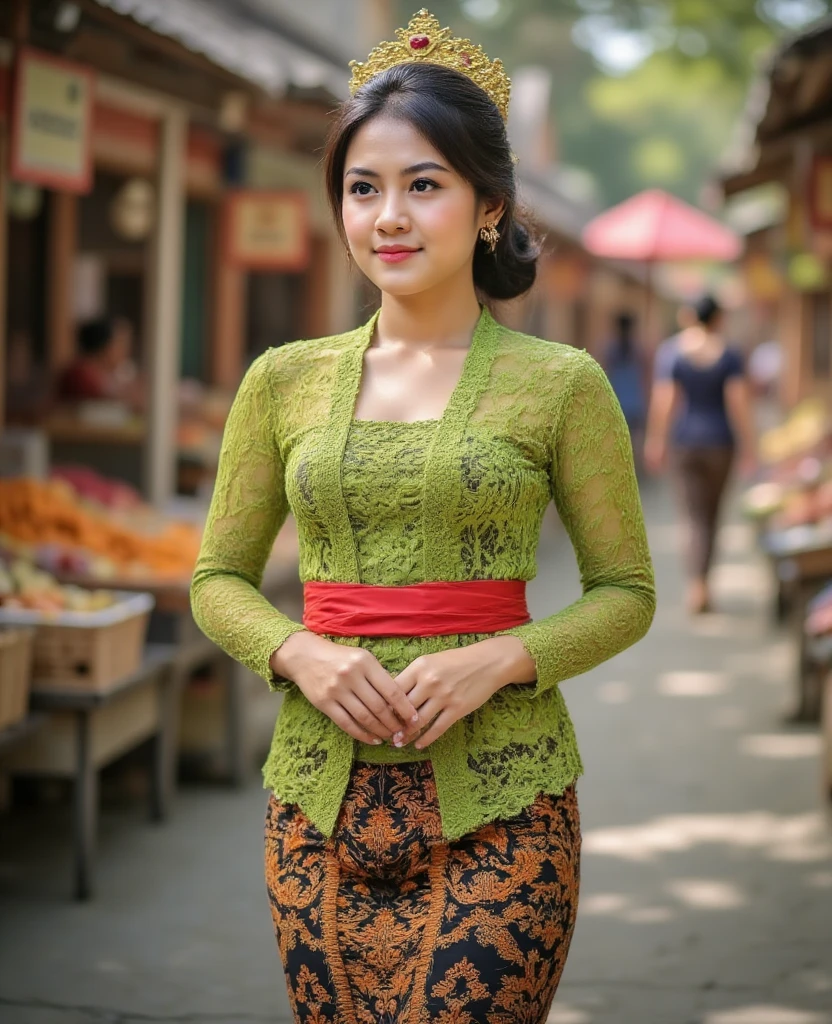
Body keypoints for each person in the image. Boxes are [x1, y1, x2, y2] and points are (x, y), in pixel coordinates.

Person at [191, 11, 655, 1023]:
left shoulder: (562, 384)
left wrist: (499, 657)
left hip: (505, 799)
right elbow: (214, 579)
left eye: (423, 184)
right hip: (315, 801)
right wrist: (299, 653)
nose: (388, 216)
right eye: (364, 188)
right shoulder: (282, 381)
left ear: (487, 204)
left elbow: (626, 594)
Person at [645, 294, 756, 614]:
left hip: (686, 443)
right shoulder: (730, 354)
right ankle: (704, 584)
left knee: (692, 517)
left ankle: (696, 586)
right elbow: (738, 403)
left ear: (691, 316)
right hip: (721, 443)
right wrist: (750, 446)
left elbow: (665, 401)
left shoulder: (672, 352)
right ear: (718, 318)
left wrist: (656, 440)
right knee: (711, 515)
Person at [56, 317, 142, 409]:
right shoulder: (81, 372)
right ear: (104, 346)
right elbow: (123, 399)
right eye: (121, 344)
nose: (126, 351)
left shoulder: (104, 372)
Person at [601, 312, 648, 469]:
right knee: (632, 438)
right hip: (633, 400)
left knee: (616, 438)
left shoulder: (611, 349)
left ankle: (619, 466)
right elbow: (643, 376)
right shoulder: (637, 350)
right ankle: (631, 467)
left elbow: (605, 374)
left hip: (616, 398)